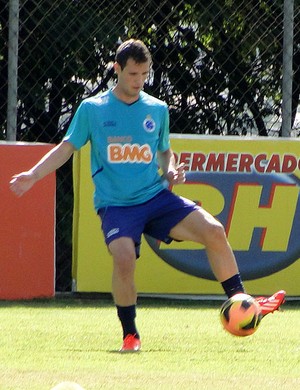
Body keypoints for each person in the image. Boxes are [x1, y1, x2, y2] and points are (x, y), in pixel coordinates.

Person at [10, 39, 286, 352]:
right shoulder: (93, 109)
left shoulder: (157, 109)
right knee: (124, 258)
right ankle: (130, 334)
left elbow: (165, 152)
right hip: (116, 205)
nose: (138, 80)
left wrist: (171, 169)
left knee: (214, 230)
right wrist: (33, 175)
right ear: (117, 70)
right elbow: (66, 148)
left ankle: (241, 302)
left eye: (144, 74)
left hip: (155, 198)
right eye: (132, 74)